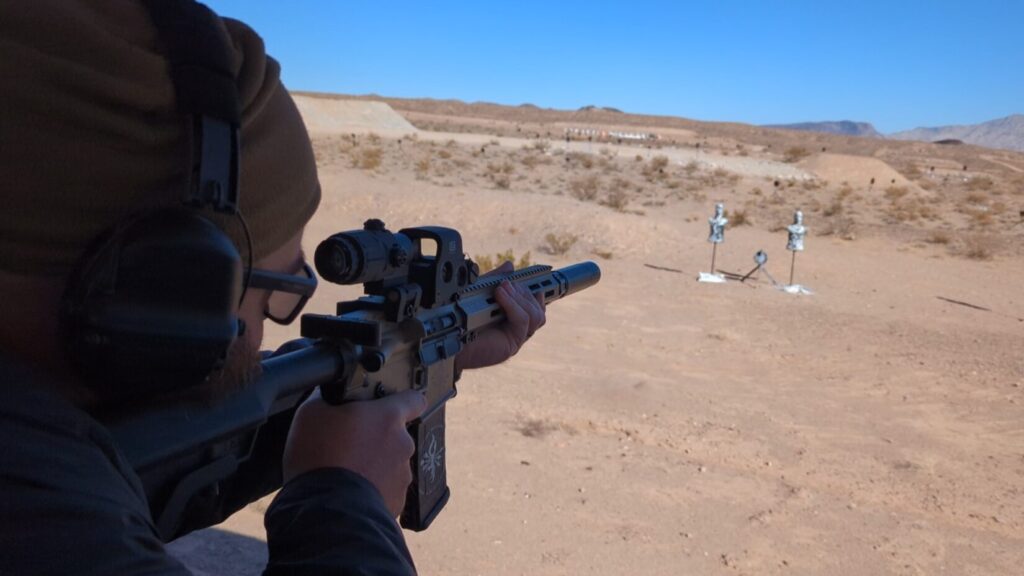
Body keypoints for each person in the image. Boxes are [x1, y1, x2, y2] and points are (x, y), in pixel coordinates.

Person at [0, 2, 545, 575]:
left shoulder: (43, 439)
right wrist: (343, 505)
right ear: (155, 297)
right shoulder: (40, 522)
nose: (271, 325)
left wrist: (399, 371)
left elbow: (162, 449)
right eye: (275, 292)